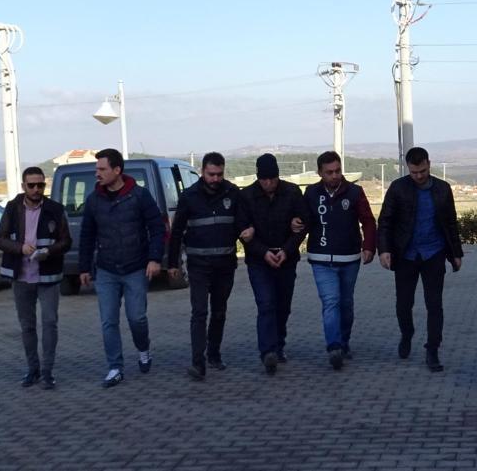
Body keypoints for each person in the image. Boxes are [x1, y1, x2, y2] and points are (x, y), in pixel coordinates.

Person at [78, 148, 165, 388]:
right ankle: (115, 367)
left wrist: (154, 258)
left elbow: (157, 228)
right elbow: (87, 235)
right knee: (108, 321)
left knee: (137, 318)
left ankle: (143, 349)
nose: (97, 173)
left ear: (117, 170)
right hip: (106, 270)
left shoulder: (139, 195)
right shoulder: (94, 200)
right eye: (96, 169)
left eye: (102, 169)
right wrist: (84, 267)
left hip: (136, 268)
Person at [377, 146, 463, 372]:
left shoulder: (443, 189)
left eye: (422, 171)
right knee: (403, 304)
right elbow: (385, 221)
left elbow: (451, 223)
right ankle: (407, 333)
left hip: (434, 253)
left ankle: (432, 349)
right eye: (414, 172)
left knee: (434, 304)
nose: (418, 176)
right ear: (408, 168)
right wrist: (384, 250)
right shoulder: (398, 188)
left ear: (429, 164)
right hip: (406, 254)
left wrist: (456, 253)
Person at [295, 151, 376, 370]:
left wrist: (369, 246)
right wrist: (295, 227)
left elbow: (368, 221)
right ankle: (334, 347)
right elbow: (304, 220)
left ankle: (344, 341)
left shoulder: (355, 192)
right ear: (319, 173)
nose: (334, 175)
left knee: (346, 303)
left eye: (337, 171)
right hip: (320, 258)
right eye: (329, 172)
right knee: (330, 301)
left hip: (349, 258)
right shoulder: (311, 193)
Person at [0, 166, 72, 390]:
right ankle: (33, 369)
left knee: (49, 322)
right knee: (27, 325)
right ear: (23, 186)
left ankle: (48, 371)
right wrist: (20, 248)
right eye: (32, 185)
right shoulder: (12, 208)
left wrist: (48, 251)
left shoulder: (55, 209)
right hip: (21, 276)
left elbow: (66, 241)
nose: (37, 189)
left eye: (41, 185)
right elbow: (0, 239)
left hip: (48, 275)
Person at [168, 152, 241, 381]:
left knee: (219, 312)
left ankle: (214, 354)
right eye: (211, 174)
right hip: (199, 266)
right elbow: (176, 232)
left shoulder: (232, 193)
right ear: (202, 172)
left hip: (225, 266)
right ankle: (197, 363)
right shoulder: (189, 196)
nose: (215, 179)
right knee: (199, 312)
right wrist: (172, 263)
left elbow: (243, 222)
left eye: (219, 174)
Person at [237, 153, 308, 375]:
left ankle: (279, 344)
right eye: (264, 179)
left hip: (286, 259)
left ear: (278, 176)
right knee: (266, 304)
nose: (268, 183)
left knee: (282, 306)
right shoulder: (246, 196)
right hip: (259, 261)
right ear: (258, 177)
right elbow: (243, 231)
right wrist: (263, 252)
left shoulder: (292, 192)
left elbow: (302, 225)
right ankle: (268, 352)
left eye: (272, 179)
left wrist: (287, 250)